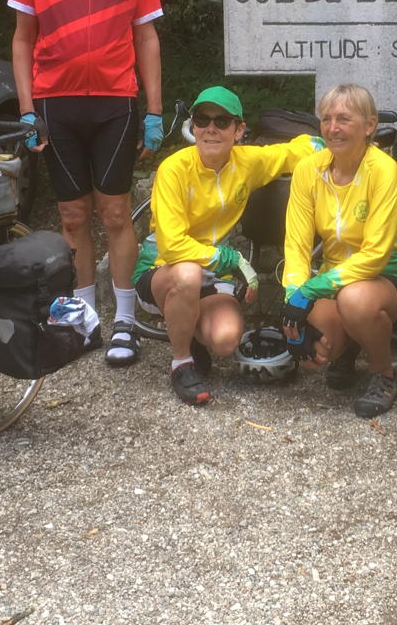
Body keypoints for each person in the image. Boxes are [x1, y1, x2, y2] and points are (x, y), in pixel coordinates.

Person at [9, 0, 164, 367]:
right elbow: (23, 37)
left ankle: (124, 320)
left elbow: (146, 35)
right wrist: (27, 108)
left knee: (117, 212)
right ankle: (83, 317)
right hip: (56, 100)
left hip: (115, 101)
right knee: (72, 217)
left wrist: (156, 112)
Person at [132, 86, 322, 405]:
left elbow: (295, 150)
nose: (211, 128)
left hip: (210, 275)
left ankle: (187, 330)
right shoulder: (174, 169)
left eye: (222, 122)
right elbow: (174, 245)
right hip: (162, 271)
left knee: (224, 341)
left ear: (239, 130)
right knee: (187, 274)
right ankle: (181, 363)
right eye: (202, 119)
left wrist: (333, 145)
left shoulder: (247, 162)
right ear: (193, 126)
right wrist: (233, 260)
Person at [281, 84, 397, 418]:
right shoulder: (308, 170)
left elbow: (375, 254)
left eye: (344, 119)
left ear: (369, 125)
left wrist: (311, 289)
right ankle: (346, 351)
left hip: (391, 273)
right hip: (336, 277)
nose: (333, 128)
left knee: (355, 300)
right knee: (318, 349)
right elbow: (297, 243)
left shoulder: (383, 168)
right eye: (326, 119)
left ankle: (383, 373)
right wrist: (293, 297)